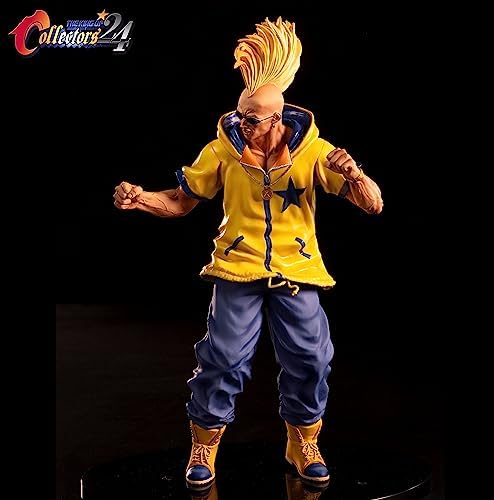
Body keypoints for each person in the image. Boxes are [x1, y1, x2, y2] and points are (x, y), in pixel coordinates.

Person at [113, 17, 383, 489]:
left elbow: (373, 204)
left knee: (311, 359)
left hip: (298, 270)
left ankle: (303, 441)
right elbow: (180, 201)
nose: (242, 124)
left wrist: (356, 175)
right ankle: (204, 444)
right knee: (222, 357)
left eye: (252, 119)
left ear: (277, 119)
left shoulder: (315, 152)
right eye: (240, 115)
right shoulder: (221, 151)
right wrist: (142, 200)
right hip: (238, 269)